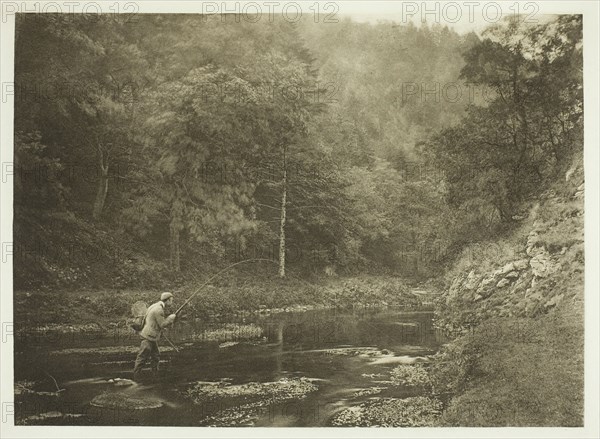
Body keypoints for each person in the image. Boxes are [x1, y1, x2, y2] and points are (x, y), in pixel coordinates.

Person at [133, 292, 176, 381]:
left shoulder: (154, 305)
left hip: (151, 335)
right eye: (171, 301)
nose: (171, 303)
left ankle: (154, 375)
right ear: (167, 300)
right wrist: (171, 318)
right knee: (142, 356)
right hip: (148, 336)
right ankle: (136, 377)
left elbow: (153, 322)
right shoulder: (159, 310)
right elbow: (162, 324)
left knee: (156, 355)